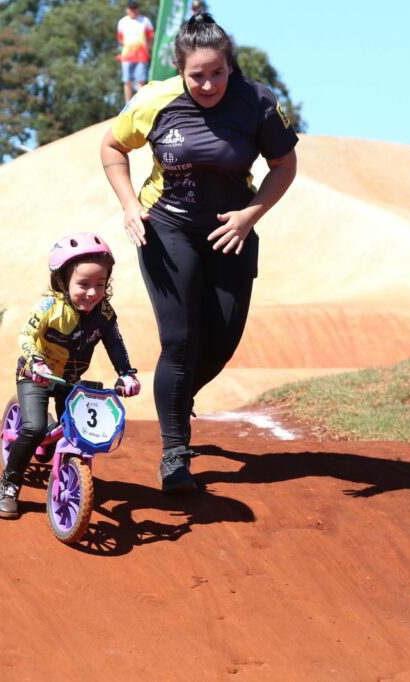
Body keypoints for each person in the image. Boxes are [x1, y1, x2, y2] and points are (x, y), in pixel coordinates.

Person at [99, 12, 298, 493]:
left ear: (232, 65)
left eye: (218, 72)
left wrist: (251, 214)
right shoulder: (154, 99)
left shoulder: (258, 102)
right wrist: (129, 205)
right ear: (180, 70)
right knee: (181, 341)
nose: (208, 84)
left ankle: (178, 395)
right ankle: (174, 455)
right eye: (197, 75)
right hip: (166, 228)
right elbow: (111, 148)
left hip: (231, 230)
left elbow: (284, 165)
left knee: (223, 338)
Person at [0, 232, 141, 519]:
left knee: (78, 430)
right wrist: (35, 361)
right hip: (35, 374)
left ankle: (64, 462)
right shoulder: (50, 307)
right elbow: (26, 334)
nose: (92, 293)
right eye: (83, 284)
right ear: (63, 281)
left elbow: (115, 343)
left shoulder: (104, 313)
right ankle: (9, 483)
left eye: (100, 284)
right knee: (34, 428)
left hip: (69, 381)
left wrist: (126, 373)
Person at [117, 0, 155, 102]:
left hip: (141, 55)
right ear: (127, 9)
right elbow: (120, 38)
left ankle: (140, 103)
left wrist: (146, 47)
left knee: (141, 80)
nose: (133, 10)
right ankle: (127, 105)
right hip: (126, 55)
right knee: (127, 80)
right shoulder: (122, 22)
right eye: (131, 8)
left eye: (135, 8)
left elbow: (150, 36)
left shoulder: (145, 21)